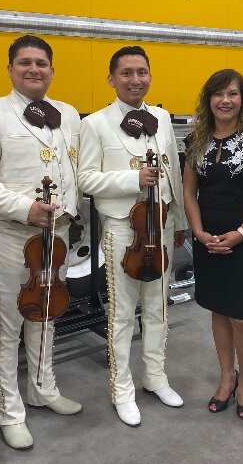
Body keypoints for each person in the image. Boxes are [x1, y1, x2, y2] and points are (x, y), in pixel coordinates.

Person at [0, 35, 82, 451]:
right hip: (11, 233)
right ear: (10, 68)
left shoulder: (68, 114)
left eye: (42, 63)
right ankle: (8, 411)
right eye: (25, 63)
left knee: (47, 312)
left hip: (58, 234)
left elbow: (72, 169)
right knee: (8, 322)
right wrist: (23, 208)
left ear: (52, 69)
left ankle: (42, 389)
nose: (34, 69)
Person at [77, 46, 186, 427]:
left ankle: (155, 376)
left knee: (158, 306)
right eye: (126, 73)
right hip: (124, 228)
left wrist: (181, 220)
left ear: (150, 76)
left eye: (142, 72)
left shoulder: (161, 117)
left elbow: (173, 168)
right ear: (111, 79)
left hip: (162, 222)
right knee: (122, 313)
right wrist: (131, 179)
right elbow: (85, 178)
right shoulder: (94, 124)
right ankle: (121, 388)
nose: (135, 80)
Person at [182, 69, 243, 420]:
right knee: (218, 311)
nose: (225, 100)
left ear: (242, 99)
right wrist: (198, 231)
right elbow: (189, 192)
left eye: (233, 94)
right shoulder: (196, 141)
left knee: (242, 316)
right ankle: (226, 377)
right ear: (208, 99)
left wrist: (241, 233)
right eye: (218, 94)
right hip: (208, 238)